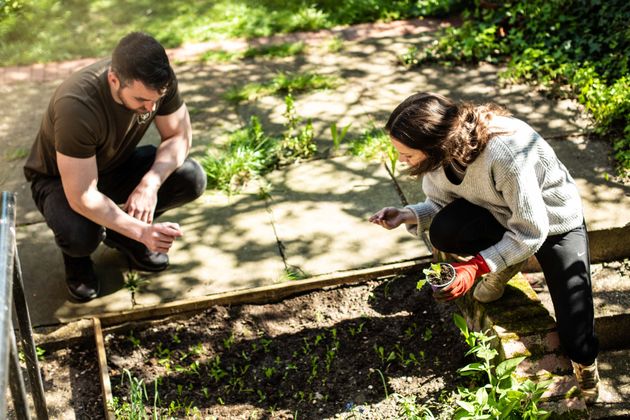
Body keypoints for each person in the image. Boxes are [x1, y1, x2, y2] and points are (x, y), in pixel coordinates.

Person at [369, 92, 600, 403]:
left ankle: (586, 368)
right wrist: (408, 214)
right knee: (444, 232)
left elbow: (532, 230)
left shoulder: (506, 154)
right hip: (500, 213)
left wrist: (476, 266)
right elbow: (442, 203)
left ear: (435, 144)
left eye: (407, 153)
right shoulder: (441, 157)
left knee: (575, 333)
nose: (401, 160)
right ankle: (506, 261)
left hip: (553, 223)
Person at [24, 32, 207, 302]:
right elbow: (83, 196)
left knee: (190, 178)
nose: (150, 108)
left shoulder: (158, 82)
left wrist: (150, 184)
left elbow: (178, 136)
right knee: (82, 234)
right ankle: (78, 259)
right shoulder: (77, 106)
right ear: (113, 79)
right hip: (60, 182)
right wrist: (143, 230)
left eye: (156, 100)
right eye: (141, 100)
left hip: (112, 165)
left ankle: (125, 238)